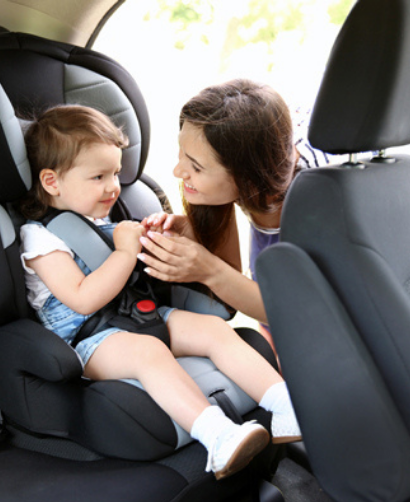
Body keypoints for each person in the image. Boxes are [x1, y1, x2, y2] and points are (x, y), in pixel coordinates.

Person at [18, 104, 301, 481]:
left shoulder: (105, 216)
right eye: (99, 176)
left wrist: (155, 239)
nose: (113, 186)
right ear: (52, 182)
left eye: (116, 172)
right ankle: (216, 436)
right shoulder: (40, 237)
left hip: (139, 316)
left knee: (211, 330)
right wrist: (123, 252)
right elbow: (83, 298)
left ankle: (285, 404)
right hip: (91, 341)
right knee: (150, 351)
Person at [138, 79, 306, 351]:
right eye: (182, 152)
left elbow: (295, 314)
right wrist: (197, 236)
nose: (178, 172)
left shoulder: (314, 208)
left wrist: (207, 269)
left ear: (248, 176)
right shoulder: (252, 176)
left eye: (196, 166)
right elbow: (235, 282)